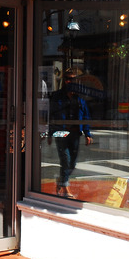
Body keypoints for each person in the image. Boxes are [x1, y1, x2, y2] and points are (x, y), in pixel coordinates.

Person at [48, 68, 93, 198]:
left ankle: (61, 180)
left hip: (75, 133)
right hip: (60, 132)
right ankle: (66, 189)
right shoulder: (57, 96)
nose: (69, 81)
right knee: (65, 160)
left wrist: (87, 133)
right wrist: (50, 133)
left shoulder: (79, 98)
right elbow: (51, 115)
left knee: (72, 163)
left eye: (72, 79)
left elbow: (85, 115)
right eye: (67, 79)